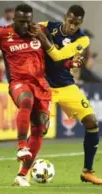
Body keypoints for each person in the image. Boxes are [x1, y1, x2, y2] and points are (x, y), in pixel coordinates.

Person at [0, 3, 85, 187]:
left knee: (40, 128)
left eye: (28, 21)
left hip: (41, 85)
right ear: (14, 20)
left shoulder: (39, 32)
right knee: (26, 101)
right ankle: (22, 146)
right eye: (21, 22)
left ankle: (22, 175)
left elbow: (55, 59)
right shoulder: (3, 33)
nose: (25, 26)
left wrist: (70, 64)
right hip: (19, 82)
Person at [19, 5, 102, 185]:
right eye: (70, 21)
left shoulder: (82, 39)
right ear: (66, 17)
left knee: (92, 123)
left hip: (67, 86)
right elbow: (29, 28)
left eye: (77, 23)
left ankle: (87, 171)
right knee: (42, 127)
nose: (72, 26)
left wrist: (69, 61)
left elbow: (57, 56)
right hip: (45, 86)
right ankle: (22, 173)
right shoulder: (49, 25)